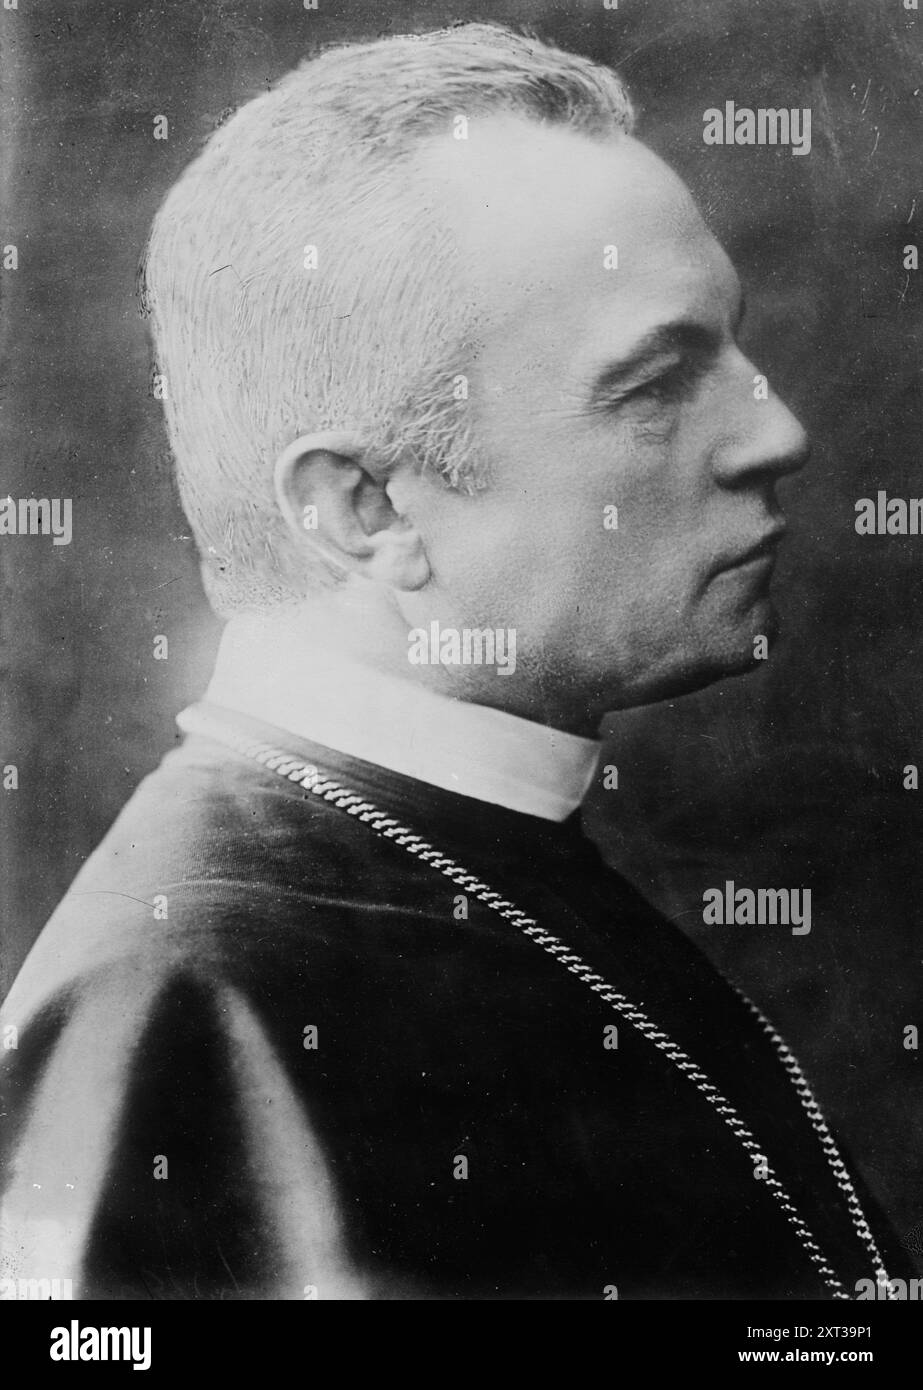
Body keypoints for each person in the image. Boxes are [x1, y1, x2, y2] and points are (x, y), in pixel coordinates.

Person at [0, 23, 909, 1301]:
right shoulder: (186, 998)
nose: (777, 431)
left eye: (734, 347)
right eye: (656, 384)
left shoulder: (497, 838)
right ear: (365, 508)